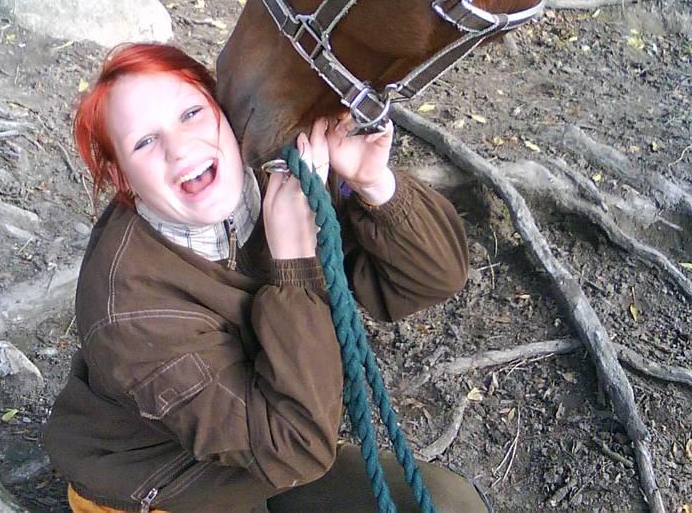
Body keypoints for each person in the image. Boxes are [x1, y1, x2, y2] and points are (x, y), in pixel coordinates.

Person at [44, 42, 490, 513]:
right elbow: (295, 448)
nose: (181, 148)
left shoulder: (269, 173)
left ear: (225, 112)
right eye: (144, 142)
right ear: (123, 177)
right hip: (166, 485)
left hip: (273, 442)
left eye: (192, 112)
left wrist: (373, 184)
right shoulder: (130, 309)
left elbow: (432, 279)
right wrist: (293, 262)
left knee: (445, 505)